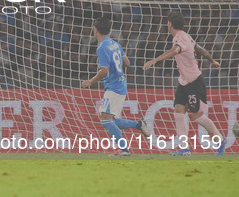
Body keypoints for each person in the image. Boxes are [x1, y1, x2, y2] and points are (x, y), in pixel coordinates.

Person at [143, 11, 225, 156]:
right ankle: (185, 148)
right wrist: (212, 60)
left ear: (170, 24)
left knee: (197, 116)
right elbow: (201, 50)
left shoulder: (179, 39)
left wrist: (154, 60)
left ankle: (220, 139)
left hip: (194, 81)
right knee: (179, 110)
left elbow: (175, 51)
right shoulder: (186, 36)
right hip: (184, 81)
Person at [81, 17, 150, 156]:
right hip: (120, 83)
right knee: (111, 119)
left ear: (96, 30)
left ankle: (124, 149)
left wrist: (90, 82)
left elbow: (104, 71)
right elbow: (128, 62)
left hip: (114, 87)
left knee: (105, 120)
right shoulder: (115, 43)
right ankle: (138, 125)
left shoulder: (102, 47)